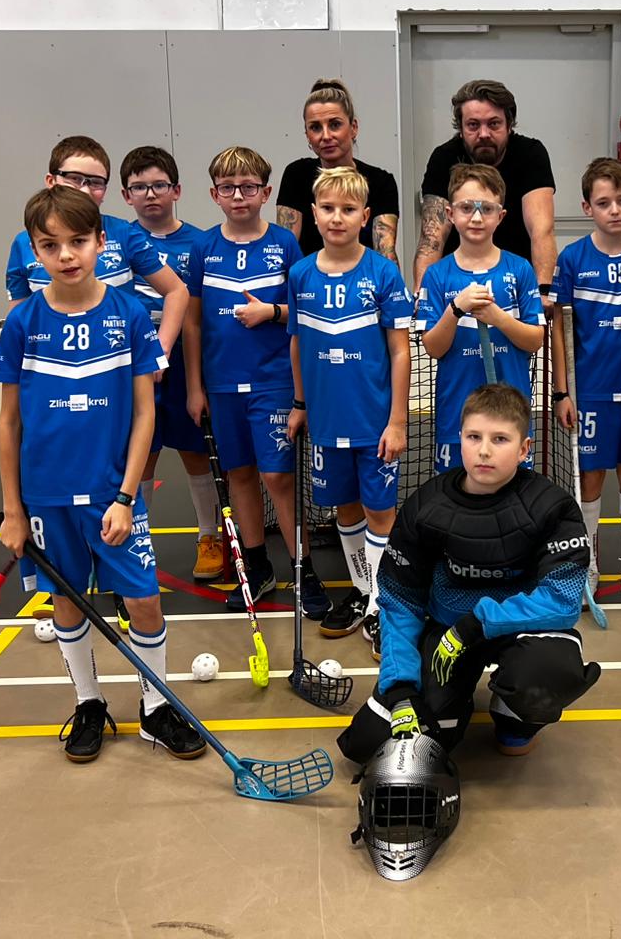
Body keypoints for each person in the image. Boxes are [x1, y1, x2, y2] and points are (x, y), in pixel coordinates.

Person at [0, 186, 205, 763]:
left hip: (113, 494)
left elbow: (144, 414)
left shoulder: (129, 313)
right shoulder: (22, 323)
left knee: (144, 600)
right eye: (50, 245)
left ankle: (156, 708)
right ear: (34, 250)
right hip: (45, 497)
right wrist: (14, 511)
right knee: (68, 601)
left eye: (78, 241)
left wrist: (126, 496)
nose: (66, 255)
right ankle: (89, 703)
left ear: (101, 242)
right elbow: (8, 423)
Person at [336, 383, 603, 762]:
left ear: (524, 448)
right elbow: (400, 602)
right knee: (377, 745)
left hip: (519, 632)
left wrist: (477, 624)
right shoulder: (425, 507)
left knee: (545, 676)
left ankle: (513, 719)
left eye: (500, 439)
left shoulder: (551, 507)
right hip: (447, 633)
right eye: (474, 437)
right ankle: (446, 700)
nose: (484, 450)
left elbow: (561, 601)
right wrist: (400, 688)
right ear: (459, 438)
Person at [286, 166, 414, 652]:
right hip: (325, 420)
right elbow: (297, 344)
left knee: (381, 511)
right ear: (314, 214)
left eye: (347, 209)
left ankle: (382, 604)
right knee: (344, 506)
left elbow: (400, 351)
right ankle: (363, 592)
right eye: (327, 208)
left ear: (365, 216)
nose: (337, 217)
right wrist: (300, 404)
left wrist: (397, 420)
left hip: (374, 421)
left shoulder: (383, 272)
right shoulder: (300, 274)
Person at [183, 146, 301, 611]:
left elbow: (302, 312)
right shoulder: (203, 248)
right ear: (214, 194)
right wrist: (195, 386)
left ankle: (303, 571)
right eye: (228, 188)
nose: (238, 196)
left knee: (277, 477)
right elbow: (192, 323)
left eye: (248, 187)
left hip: (274, 380)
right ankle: (258, 570)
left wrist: (271, 312)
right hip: (221, 384)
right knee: (240, 476)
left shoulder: (284, 244)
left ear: (265, 193)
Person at [551, 157, 621, 605]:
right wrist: (562, 391)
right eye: (603, 202)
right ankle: (588, 565)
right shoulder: (572, 258)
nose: (614, 209)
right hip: (592, 389)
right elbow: (559, 330)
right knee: (591, 476)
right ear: (587, 208)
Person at [115, 146, 225, 581]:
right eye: (139, 187)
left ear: (176, 190)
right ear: (126, 195)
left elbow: (197, 311)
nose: (150, 194)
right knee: (141, 454)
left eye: (159, 185)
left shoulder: (199, 242)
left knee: (195, 450)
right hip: (130, 362)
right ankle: (136, 540)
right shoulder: (115, 241)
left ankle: (209, 536)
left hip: (182, 359)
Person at [4, 135, 187, 358]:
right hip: (52, 362)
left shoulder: (123, 233)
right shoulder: (23, 243)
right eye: (74, 178)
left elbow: (176, 290)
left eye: (95, 182)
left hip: (117, 362)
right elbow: (18, 315)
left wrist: (160, 349)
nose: (84, 190)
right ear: (51, 181)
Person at [416, 163, 544, 473]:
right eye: (466, 208)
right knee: (454, 491)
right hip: (456, 412)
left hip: (511, 413)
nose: (476, 217)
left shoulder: (520, 269)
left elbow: (535, 340)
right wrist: (455, 309)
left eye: (486, 208)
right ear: (450, 213)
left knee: (513, 493)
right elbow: (433, 347)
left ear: (501, 216)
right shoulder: (437, 275)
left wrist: (497, 317)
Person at [412, 79, 557, 293]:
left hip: (517, 279)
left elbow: (541, 230)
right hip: (456, 280)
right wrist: (421, 294)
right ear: (461, 129)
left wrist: (544, 290)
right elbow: (432, 238)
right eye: (473, 125)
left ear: (509, 125)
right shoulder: (444, 158)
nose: (484, 134)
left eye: (494, 124)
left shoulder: (530, 154)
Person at [275, 78, 402, 263]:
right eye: (315, 127)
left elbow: (385, 254)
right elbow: (285, 252)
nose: (326, 136)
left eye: (335, 125)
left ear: (353, 128)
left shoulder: (380, 182)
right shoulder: (297, 175)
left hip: (364, 278)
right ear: (307, 135)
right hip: (308, 279)